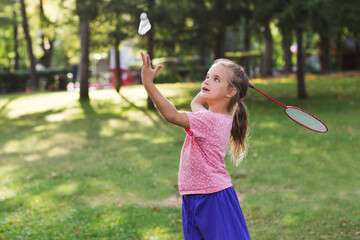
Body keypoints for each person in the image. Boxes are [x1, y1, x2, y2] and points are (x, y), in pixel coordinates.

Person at [140, 52, 251, 240]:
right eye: (207, 76)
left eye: (216, 79)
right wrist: (215, 84)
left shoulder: (208, 121)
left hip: (211, 198)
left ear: (230, 92)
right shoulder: (215, 118)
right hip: (196, 195)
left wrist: (148, 84)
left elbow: (172, 115)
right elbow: (195, 103)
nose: (206, 81)